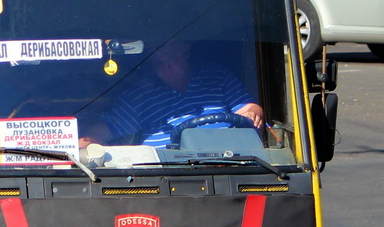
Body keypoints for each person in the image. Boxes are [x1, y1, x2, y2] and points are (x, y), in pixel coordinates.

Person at [80, 40, 263, 147]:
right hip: (162, 177)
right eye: (159, 62)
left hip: (227, 168)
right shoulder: (140, 95)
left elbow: (249, 108)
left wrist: (251, 114)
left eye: (172, 59)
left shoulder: (217, 78)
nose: (166, 66)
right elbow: (103, 130)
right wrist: (84, 143)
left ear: (186, 54)